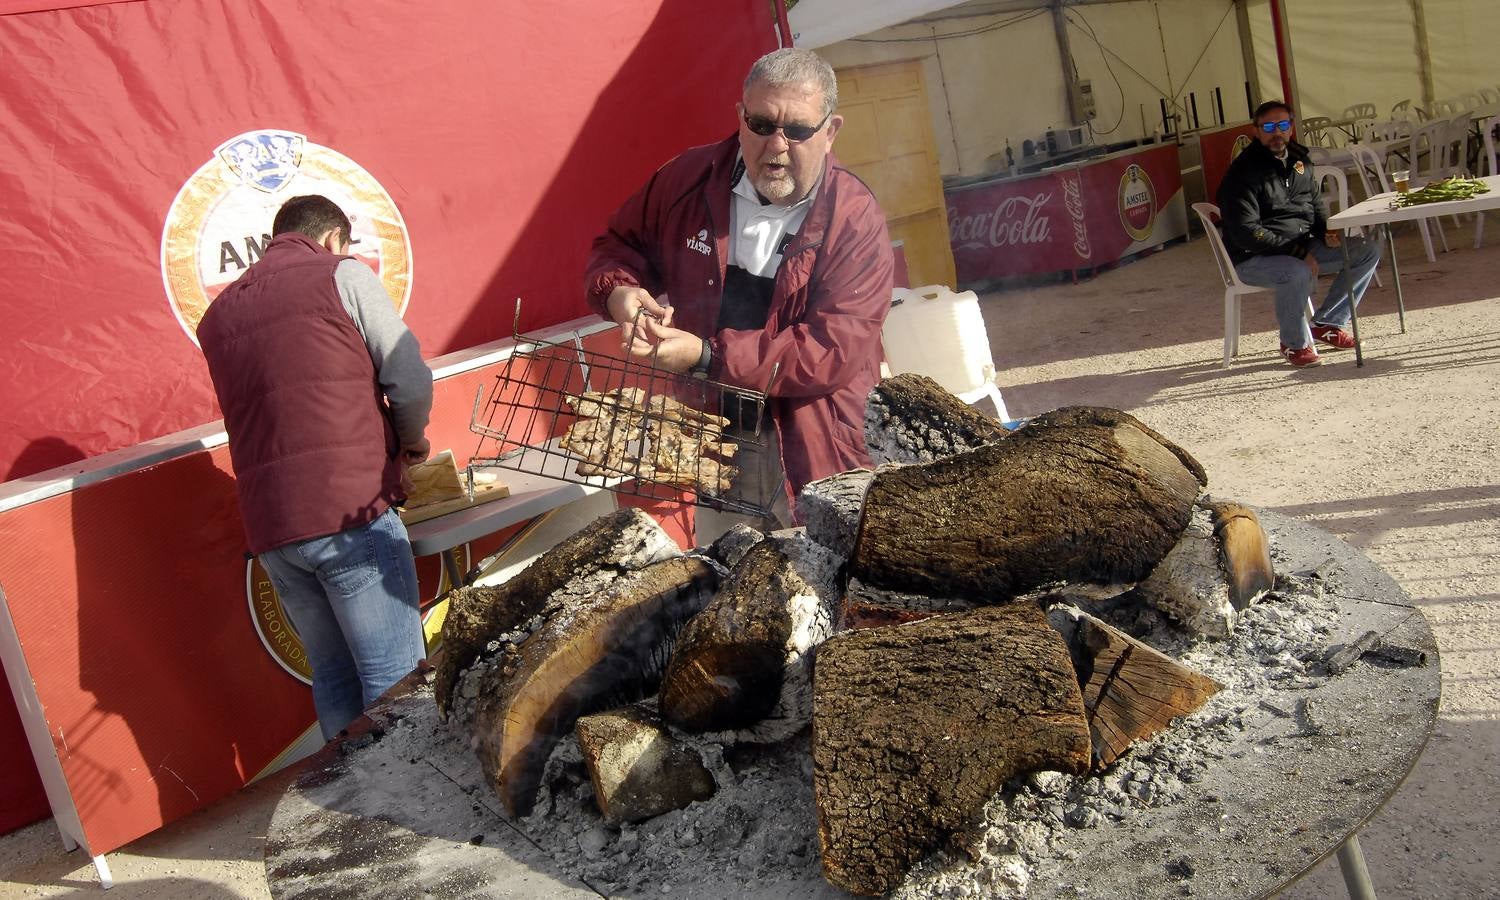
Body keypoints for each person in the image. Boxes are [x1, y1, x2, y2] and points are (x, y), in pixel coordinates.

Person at [584, 48, 894, 527]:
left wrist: (706, 358)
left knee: (823, 584)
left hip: (817, 442)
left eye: (798, 130)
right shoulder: (686, 180)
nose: (777, 145)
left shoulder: (853, 218)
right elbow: (618, 246)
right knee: (729, 576)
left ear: (830, 133)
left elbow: (832, 350)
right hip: (717, 439)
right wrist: (619, 293)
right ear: (740, 117)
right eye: (762, 124)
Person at [198, 194, 433, 741]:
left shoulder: (219, 314)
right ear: (332, 239)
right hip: (350, 511)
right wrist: (411, 442)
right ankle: (402, 819)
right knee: (394, 681)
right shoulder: (341, 275)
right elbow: (408, 375)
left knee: (333, 677)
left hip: (272, 530)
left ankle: (356, 815)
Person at [1216, 100, 1383, 368]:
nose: (1276, 132)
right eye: (1269, 126)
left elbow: (1313, 201)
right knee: (1296, 271)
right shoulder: (1243, 172)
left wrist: (1325, 230)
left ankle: (1328, 322)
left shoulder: (1299, 160)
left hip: (1301, 246)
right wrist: (1298, 253)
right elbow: (1245, 232)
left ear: (1291, 127)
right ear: (1256, 131)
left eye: (1282, 125)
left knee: (1366, 251)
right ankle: (1294, 344)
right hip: (1251, 257)